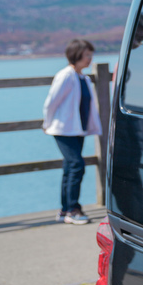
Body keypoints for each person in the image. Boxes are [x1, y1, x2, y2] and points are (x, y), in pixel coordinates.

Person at [43, 39, 103, 224]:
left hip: (77, 129)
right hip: (63, 129)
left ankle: (64, 210)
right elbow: (51, 102)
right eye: (87, 55)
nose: (90, 59)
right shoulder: (66, 76)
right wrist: (47, 123)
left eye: (91, 55)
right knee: (77, 165)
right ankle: (73, 210)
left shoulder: (83, 78)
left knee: (70, 167)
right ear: (76, 55)